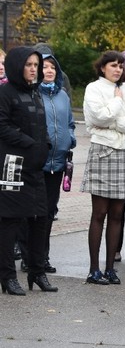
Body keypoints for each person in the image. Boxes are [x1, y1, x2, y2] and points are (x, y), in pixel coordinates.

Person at [82, 51, 125, 285]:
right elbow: (98, 117)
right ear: (102, 68)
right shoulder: (94, 88)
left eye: (121, 66)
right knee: (99, 213)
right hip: (102, 150)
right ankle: (94, 269)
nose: (118, 70)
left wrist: (113, 120)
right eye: (113, 66)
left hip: (123, 151)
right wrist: (117, 104)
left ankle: (110, 268)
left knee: (118, 213)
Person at [0, 47, 56, 295]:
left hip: (35, 168)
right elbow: (2, 125)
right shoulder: (5, 93)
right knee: (10, 222)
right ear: (17, 66)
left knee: (40, 219)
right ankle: (7, 277)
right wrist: (29, 142)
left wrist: (45, 145)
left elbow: (40, 127)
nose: (35, 69)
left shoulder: (35, 94)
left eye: (37, 65)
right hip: (12, 166)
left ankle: (37, 271)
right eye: (29, 65)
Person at [39, 52, 76, 274]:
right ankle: (30, 255)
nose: (50, 70)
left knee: (49, 211)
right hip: (37, 162)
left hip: (58, 163)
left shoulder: (63, 95)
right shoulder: (32, 94)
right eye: (44, 67)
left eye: (53, 67)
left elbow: (70, 123)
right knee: (34, 212)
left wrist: (70, 138)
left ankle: (43, 256)